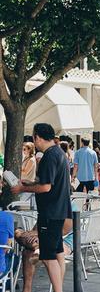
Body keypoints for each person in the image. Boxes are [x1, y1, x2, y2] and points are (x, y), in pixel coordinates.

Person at [11, 123, 72, 292]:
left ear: (37, 137)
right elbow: (49, 182)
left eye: (33, 138)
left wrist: (23, 188)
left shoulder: (49, 156)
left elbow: (46, 187)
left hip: (50, 212)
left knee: (48, 256)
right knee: (58, 252)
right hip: (60, 210)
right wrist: (30, 183)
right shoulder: (60, 153)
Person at [0, 211, 13, 277]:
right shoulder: (6, 216)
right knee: (12, 255)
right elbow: (8, 244)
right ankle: (8, 283)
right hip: (0, 270)